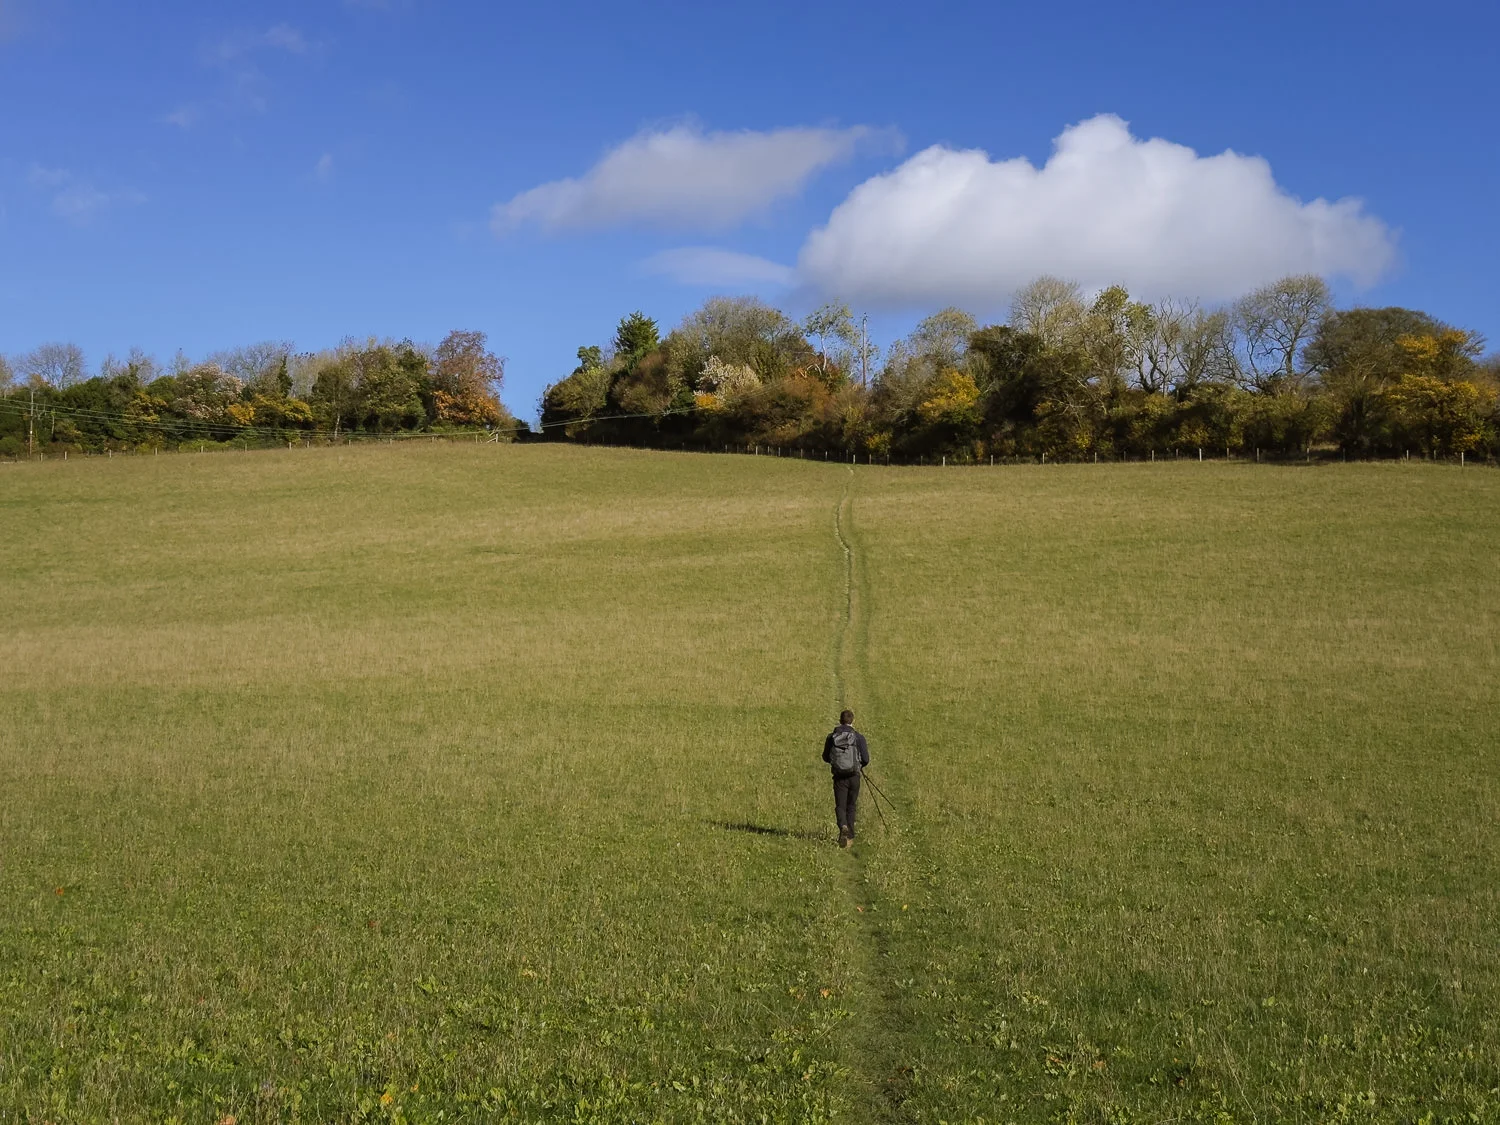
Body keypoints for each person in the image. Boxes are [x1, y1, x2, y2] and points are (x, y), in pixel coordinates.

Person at [822, 709, 869, 848]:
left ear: (840, 720)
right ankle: (850, 838)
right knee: (851, 805)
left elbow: (825, 757)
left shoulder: (832, 737)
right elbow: (866, 759)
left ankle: (843, 827)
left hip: (839, 777)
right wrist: (858, 765)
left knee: (840, 805)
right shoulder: (859, 737)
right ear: (852, 721)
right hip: (854, 776)